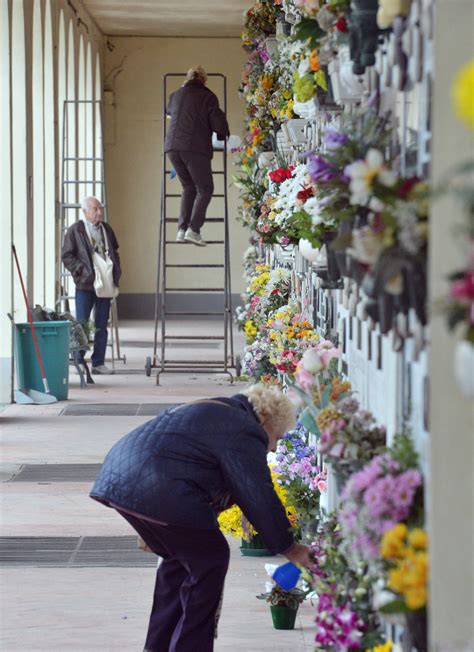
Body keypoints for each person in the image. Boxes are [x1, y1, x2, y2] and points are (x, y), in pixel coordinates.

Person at [90, 384, 312, 652]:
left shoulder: (213, 410)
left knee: (180, 564)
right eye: (276, 437)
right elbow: (256, 491)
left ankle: (157, 646)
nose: (273, 447)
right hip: (157, 487)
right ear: (266, 421)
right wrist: (289, 547)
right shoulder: (245, 429)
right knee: (211, 557)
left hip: (120, 476)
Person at [164, 66, 230, 247]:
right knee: (205, 188)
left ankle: (181, 229)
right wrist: (223, 134)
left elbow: (169, 111)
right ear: (204, 80)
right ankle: (194, 230)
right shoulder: (207, 96)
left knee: (188, 188)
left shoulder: (175, 95)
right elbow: (218, 124)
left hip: (171, 147)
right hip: (194, 148)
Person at [61, 196, 121, 375]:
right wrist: (81, 271)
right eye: (95, 209)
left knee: (102, 324)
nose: (99, 212)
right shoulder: (76, 230)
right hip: (85, 285)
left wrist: (116, 270)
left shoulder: (106, 229)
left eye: (100, 208)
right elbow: (67, 256)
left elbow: (115, 251)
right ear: (85, 211)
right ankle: (79, 360)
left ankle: (98, 362)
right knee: (82, 324)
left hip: (105, 284)